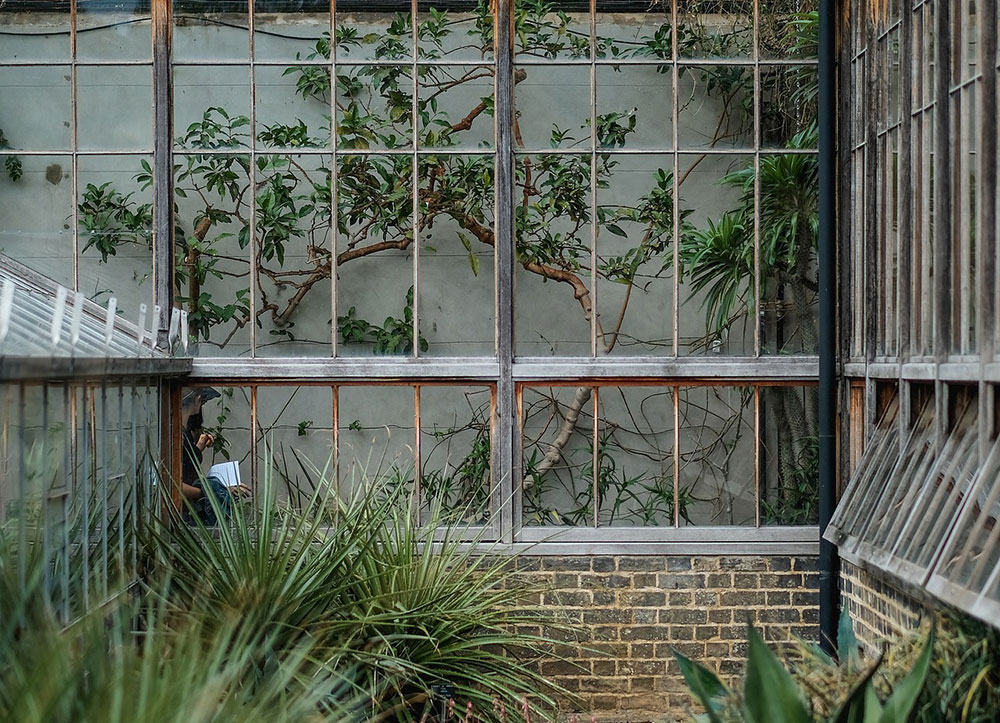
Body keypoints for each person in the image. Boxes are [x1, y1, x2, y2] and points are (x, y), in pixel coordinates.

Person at [180, 388, 250, 525]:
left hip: (187, 508)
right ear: (198, 399)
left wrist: (199, 447)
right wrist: (210, 491)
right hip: (182, 511)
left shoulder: (182, 431)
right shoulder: (176, 434)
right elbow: (173, 484)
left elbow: (184, 462)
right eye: (203, 401)